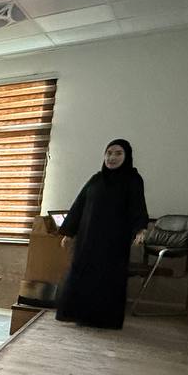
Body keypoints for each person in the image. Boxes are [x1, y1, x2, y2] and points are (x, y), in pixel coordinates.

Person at [56, 138, 149, 329]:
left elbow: (138, 205)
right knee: (82, 274)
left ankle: (103, 319)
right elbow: (79, 205)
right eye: (109, 153)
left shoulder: (132, 180)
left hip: (113, 242)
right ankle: (78, 314)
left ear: (127, 156)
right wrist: (69, 232)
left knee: (107, 278)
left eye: (118, 153)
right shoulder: (96, 179)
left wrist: (141, 228)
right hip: (88, 239)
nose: (112, 157)